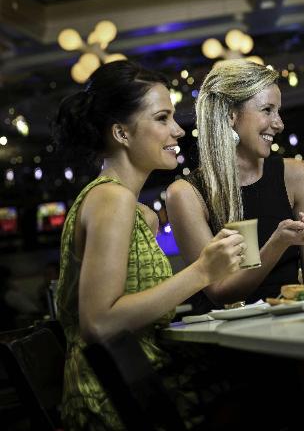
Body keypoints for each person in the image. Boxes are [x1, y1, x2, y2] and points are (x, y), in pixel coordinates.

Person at [52, 60, 243, 430]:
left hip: (140, 385)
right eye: (161, 118)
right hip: (118, 401)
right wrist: (203, 271)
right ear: (121, 133)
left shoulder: (126, 206)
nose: (177, 130)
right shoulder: (112, 200)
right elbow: (99, 323)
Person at [166, 60, 304, 307]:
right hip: (222, 329)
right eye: (267, 110)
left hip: (292, 322)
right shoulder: (185, 194)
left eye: (278, 111)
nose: (279, 124)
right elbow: (221, 293)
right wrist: (277, 243)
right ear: (230, 115)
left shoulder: (296, 175)